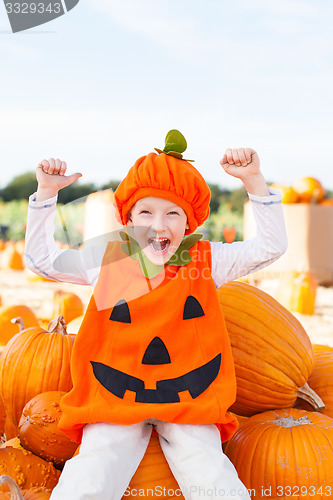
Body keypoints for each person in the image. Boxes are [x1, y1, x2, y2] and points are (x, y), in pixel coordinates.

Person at [25, 130, 287, 500]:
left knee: (212, 475)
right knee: (92, 471)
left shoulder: (207, 260)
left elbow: (271, 247)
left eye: (172, 214)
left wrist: (254, 182)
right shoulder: (108, 257)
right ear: (128, 219)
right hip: (114, 396)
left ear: (189, 221)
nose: (158, 225)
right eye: (145, 212)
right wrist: (46, 195)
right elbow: (43, 261)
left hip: (188, 397)